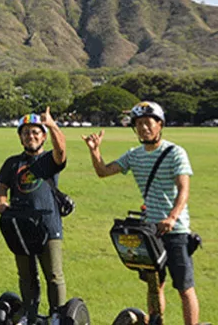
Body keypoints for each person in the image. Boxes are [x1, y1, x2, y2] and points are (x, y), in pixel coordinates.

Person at [82, 101, 202, 325]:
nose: (144, 128)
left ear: (160, 125)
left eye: (148, 123)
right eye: (138, 124)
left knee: (184, 287)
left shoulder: (175, 153)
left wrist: (172, 217)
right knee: (155, 284)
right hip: (150, 231)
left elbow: (184, 188)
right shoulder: (134, 155)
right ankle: (157, 321)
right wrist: (95, 151)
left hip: (176, 230)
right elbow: (104, 171)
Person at [0, 107, 68, 320]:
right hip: (20, 225)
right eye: (26, 133)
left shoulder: (48, 160)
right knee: (26, 275)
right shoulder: (12, 163)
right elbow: (1, 186)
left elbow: (61, 151)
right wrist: (1, 201)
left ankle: (57, 315)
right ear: (20, 137)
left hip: (48, 223)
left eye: (36, 132)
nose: (31, 136)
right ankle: (29, 314)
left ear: (43, 136)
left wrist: (52, 125)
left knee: (53, 275)